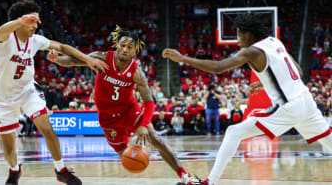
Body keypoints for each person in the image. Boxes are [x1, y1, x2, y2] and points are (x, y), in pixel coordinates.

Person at [163, 13, 332, 185]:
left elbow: (219, 67)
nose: (237, 40)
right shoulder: (275, 42)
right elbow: (298, 72)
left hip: (288, 106)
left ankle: (210, 182)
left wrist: (183, 58)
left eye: (239, 35)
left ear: (248, 34)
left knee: (233, 132)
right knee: (328, 140)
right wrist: (265, 83)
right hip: (306, 101)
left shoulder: (251, 51)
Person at [47, 25, 199, 184]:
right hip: (107, 118)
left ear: (134, 51)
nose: (125, 49)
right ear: (116, 45)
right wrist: (57, 59)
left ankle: (184, 176)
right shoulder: (102, 58)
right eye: (122, 45)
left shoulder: (136, 72)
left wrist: (144, 125)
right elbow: (72, 61)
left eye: (130, 47)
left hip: (128, 110)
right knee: (126, 158)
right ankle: (134, 146)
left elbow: (149, 102)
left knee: (155, 138)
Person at [0, 0, 107, 185]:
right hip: (3, 98)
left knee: (47, 128)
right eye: (33, 21)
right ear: (20, 20)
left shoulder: (36, 40)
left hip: (28, 90)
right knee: (9, 146)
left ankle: (60, 169)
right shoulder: (5, 39)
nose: (37, 25)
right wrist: (22, 21)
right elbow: (1, 31)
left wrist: (87, 59)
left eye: (37, 22)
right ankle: (15, 169)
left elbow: (62, 46)